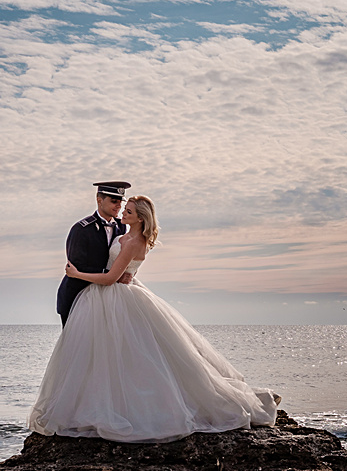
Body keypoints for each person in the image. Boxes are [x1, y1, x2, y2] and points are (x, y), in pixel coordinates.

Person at [29, 195, 279, 443]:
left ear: (139, 218)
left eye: (128, 210)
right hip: (112, 296)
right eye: (122, 208)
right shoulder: (121, 233)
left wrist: (77, 273)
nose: (122, 212)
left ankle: (127, 409)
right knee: (111, 356)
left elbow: (111, 278)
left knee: (129, 356)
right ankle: (101, 403)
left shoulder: (132, 241)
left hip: (113, 294)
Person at [56, 181, 131, 326]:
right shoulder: (81, 229)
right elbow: (76, 266)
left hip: (105, 296)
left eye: (120, 202)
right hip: (76, 295)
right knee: (77, 346)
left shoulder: (121, 226)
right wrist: (111, 274)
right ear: (99, 200)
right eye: (114, 201)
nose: (118, 206)